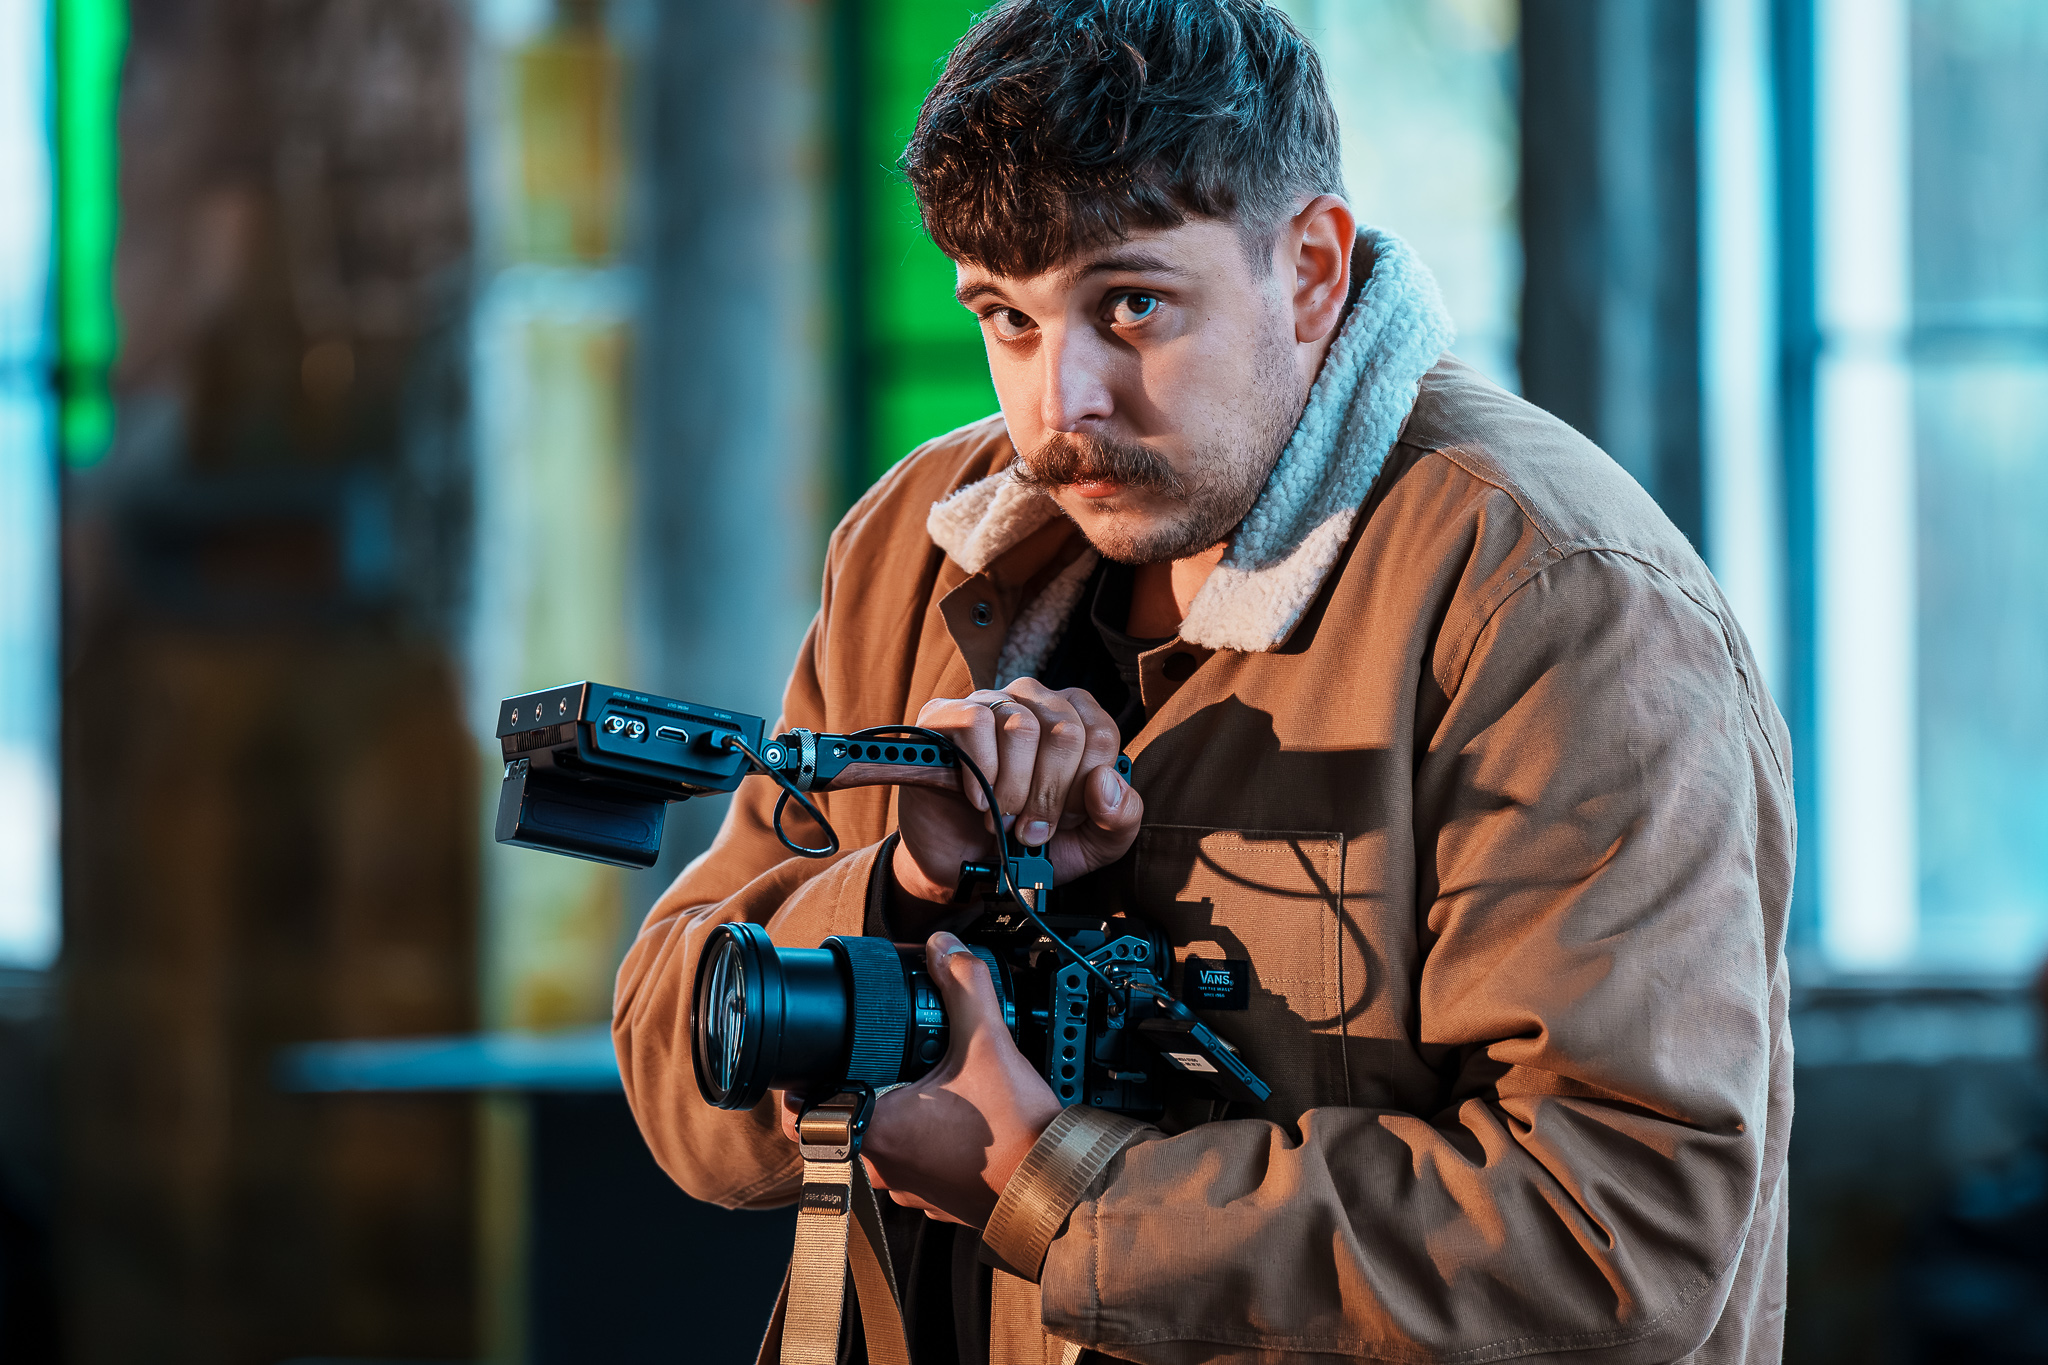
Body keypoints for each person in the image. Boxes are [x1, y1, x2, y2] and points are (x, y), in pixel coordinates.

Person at [615, 1, 1795, 1362]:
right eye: (1007, 318)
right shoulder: (911, 547)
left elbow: (1617, 1238)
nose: (1062, 403)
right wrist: (903, 890)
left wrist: (1059, 1188)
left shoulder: (1551, 596)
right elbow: (676, 1078)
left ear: (1310, 272)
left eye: (1131, 305)